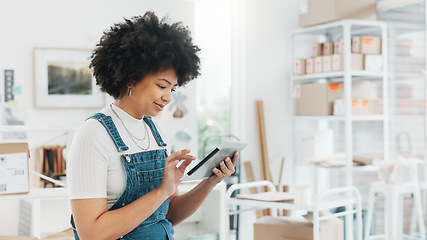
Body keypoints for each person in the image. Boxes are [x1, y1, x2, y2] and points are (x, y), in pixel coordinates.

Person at [67, 11, 239, 240]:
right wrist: (162, 191)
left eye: (173, 89)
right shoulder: (93, 134)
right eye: (161, 86)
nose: (168, 97)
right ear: (131, 77)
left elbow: (168, 215)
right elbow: (92, 234)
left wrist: (211, 181)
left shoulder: (156, 132)